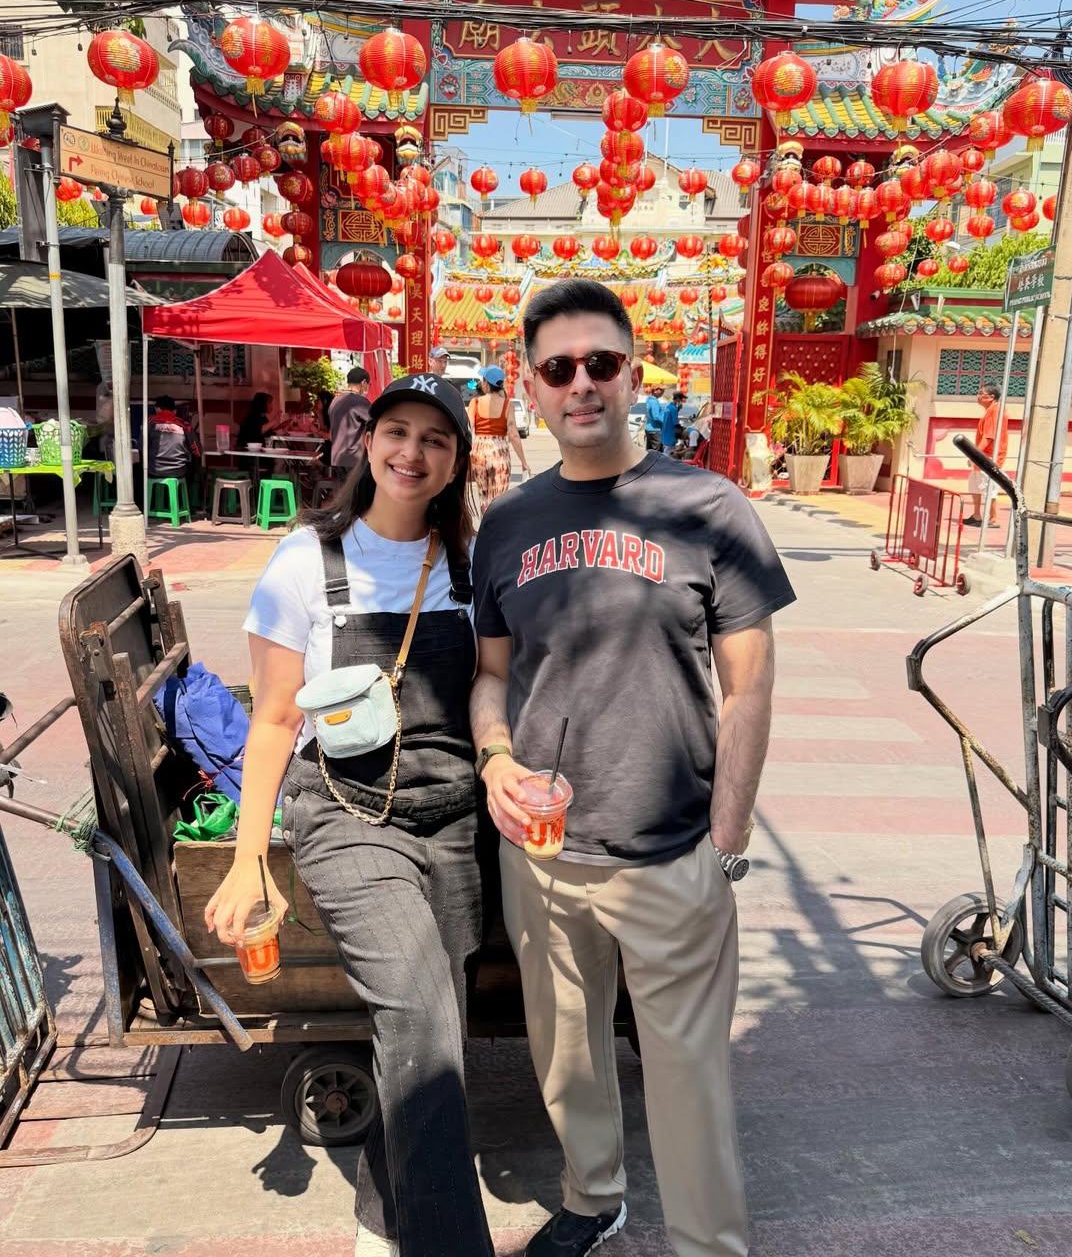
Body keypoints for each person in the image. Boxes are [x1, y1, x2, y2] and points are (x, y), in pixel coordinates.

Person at [469, 278, 795, 1257]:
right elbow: (492, 674)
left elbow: (749, 688)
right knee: (565, 1057)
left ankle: (710, 1244)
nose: (581, 384)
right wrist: (493, 760)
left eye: (600, 363)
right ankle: (592, 1195)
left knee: (689, 1078)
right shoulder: (507, 522)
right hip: (543, 852)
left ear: (633, 373)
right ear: (531, 387)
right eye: (558, 368)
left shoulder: (709, 506)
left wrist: (726, 846)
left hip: (671, 852)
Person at [205, 374, 494, 1257]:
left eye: (436, 441)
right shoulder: (305, 561)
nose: (413, 452)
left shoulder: (471, 565)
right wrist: (251, 856)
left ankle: (382, 1217)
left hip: (451, 815)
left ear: (455, 465)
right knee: (422, 1018)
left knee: (428, 1022)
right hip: (344, 813)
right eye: (396, 432)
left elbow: (496, 681)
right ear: (367, 445)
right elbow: (274, 720)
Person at [468, 364, 530, 512]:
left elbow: (469, 430)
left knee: (484, 499)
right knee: (499, 501)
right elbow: (513, 434)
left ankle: (486, 530)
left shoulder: (475, 403)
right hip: (500, 452)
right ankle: (496, 532)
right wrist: (523, 462)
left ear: (485, 383)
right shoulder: (507, 405)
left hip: (479, 453)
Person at [964, 381, 1008, 528]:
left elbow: (989, 437)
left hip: (990, 456)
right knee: (975, 485)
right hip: (983, 455)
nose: (978, 396)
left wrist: (973, 454)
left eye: (981, 393)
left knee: (989, 486)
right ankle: (976, 515)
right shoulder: (990, 411)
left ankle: (993, 518)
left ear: (991, 396)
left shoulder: (996, 411)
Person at [328, 367, 372, 474]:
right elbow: (374, 423)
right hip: (354, 459)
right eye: (368, 385)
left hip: (336, 458)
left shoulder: (335, 401)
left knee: (343, 489)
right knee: (357, 489)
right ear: (363, 382)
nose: (367, 388)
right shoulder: (360, 401)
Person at [146, 394, 200, 479]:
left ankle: (147, 492)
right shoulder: (185, 425)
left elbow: (142, 448)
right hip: (178, 472)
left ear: (157, 409)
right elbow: (197, 451)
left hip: (154, 471)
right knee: (194, 466)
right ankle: (186, 491)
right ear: (174, 411)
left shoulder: (150, 422)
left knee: (137, 468)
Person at [659, 389, 684, 456]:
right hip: (670, 433)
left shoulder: (668, 406)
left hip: (665, 432)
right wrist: (681, 429)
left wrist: (678, 408)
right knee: (669, 453)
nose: (681, 400)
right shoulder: (674, 409)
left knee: (666, 450)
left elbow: (670, 416)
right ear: (678, 398)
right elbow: (675, 422)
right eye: (681, 399)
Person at [643, 384, 665, 451]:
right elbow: (656, 417)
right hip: (655, 429)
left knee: (650, 451)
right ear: (655, 391)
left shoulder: (650, 400)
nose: (663, 392)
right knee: (657, 452)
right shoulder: (654, 401)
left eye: (663, 390)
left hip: (650, 428)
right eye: (661, 390)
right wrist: (665, 422)